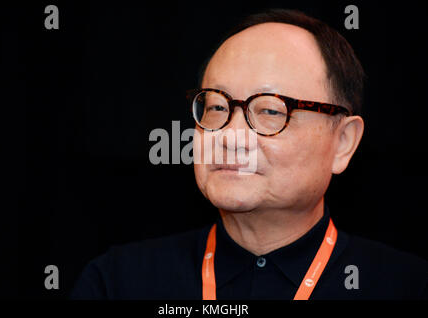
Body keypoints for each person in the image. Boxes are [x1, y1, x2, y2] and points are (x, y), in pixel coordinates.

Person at [70, 8, 427, 300]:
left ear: (344, 142)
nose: (230, 136)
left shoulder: (405, 286)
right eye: (216, 107)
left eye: (271, 111)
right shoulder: (119, 282)